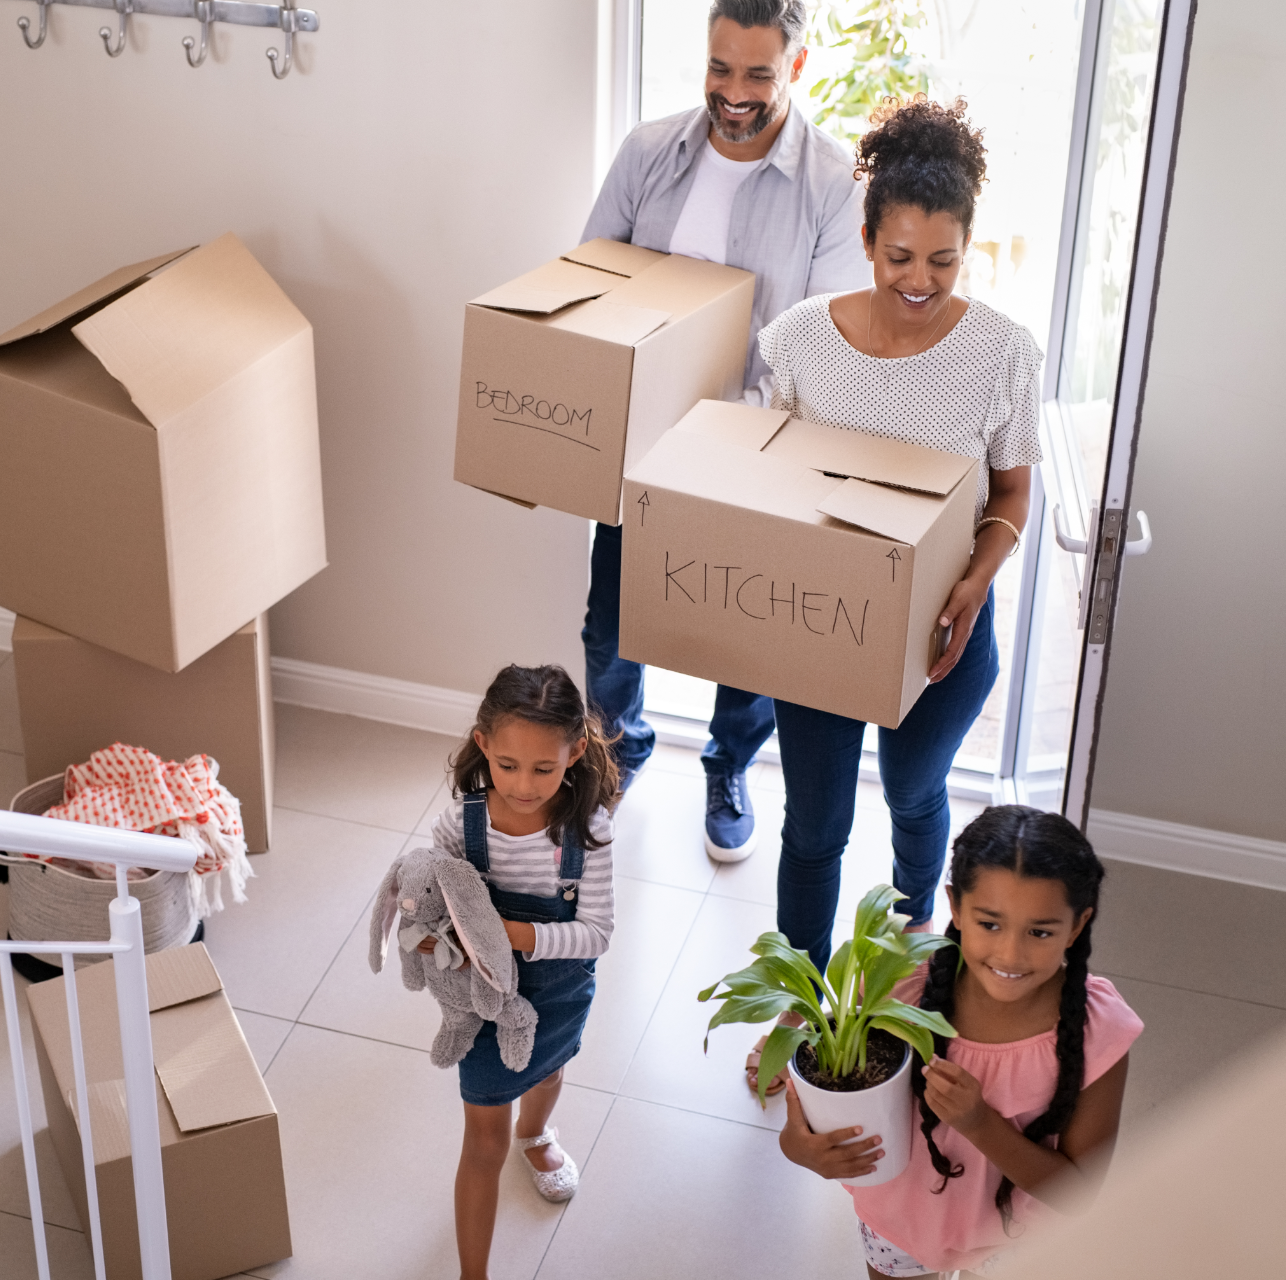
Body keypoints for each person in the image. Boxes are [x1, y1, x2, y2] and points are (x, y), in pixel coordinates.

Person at [755, 94, 1040, 980]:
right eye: (900, 258)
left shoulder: (1003, 353)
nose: (920, 281)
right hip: (822, 627)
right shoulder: (800, 340)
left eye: (944, 261)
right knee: (815, 827)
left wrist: (975, 582)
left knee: (917, 791)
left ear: (968, 250)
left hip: (946, 630)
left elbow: (1013, 493)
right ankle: (796, 1000)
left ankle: (918, 931)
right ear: (868, 239)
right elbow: (770, 480)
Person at [581, 0, 869, 863]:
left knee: (743, 636)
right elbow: (593, 275)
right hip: (642, 444)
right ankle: (615, 752)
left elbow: (822, 347)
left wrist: (729, 418)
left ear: (799, 66)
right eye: (720, 69)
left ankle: (727, 765)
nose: (733, 94)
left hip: (756, 454)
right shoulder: (648, 153)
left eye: (757, 74)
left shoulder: (833, 183)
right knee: (611, 620)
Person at [780, 805, 1143, 1278]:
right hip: (898, 1224)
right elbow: (813, 1104)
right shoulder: (897, 988)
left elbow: (1079, 1193)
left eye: (1040, 931)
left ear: (1076, 926)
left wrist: (980, 1124)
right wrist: (799, 1147)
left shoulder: (1100, 1032)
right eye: (989, 923)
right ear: (954, 906)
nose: (1010, 953)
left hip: (1016, 1243)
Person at [423, 664, 619, 1280]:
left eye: (544, 768)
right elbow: (433, 901)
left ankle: (535, 1135)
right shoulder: (461, 823)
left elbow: (597, 934)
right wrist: (432, 940)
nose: (524, 785)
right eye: (507, 766)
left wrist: (513, 936)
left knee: (549, 1072)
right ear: (483, 745)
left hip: (559, 991)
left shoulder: (588, 832)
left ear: (576, 751)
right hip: (483, 1001)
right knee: (483, 1140)